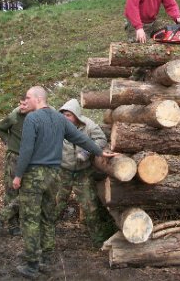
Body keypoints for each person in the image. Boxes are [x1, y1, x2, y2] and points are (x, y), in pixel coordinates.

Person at [12, 86, 117, 278]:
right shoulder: (59, 118)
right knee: (47, 216)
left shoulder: (32, 119)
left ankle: (32, 264)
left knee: (30, 219)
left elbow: (26, 150)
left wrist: (18, 175)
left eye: (27, 97)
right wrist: (99, 151)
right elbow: (80, 138)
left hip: (35, 175)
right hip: (54, 174)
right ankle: (47, 258)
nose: (25, 101)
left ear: (37, 98)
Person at [55, 99, 116, 247]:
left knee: (90, 206)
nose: (65, 118)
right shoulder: (57, 126)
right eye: (63, 114)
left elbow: (101, 139)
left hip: (83, 172)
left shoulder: (88, 125)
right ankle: (44, 233)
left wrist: (87, 151)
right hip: (63, 171)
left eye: (68, 115)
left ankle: (98, 241)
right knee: (56, 203)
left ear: (76, 115)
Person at [0, 96, 30, 236]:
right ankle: (13, 225)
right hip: (15, 157)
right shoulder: (14, 115)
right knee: (12, 190)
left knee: (29, 190)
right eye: (20, 103)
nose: (22, 106)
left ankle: (24, 221)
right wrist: (8, 142)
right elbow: (0, 128)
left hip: (31, 158)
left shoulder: (38, 115)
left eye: (25, 103)